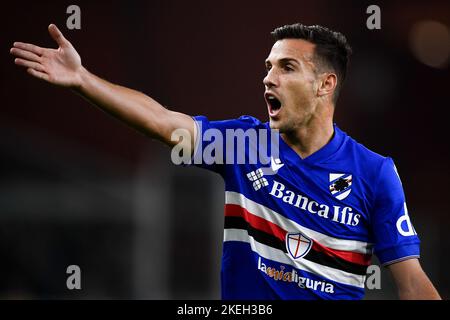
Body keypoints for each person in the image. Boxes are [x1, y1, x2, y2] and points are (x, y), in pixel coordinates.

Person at [10, 23, 441, 300]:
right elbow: (162, 122)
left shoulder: (373, 173)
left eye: (287, 67)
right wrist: (83, 80)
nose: (269, 77)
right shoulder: (245, 144)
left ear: (325, 84)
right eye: (269, 67)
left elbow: (410, 281)